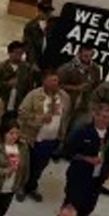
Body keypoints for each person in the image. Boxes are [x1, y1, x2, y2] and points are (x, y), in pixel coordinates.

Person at [62, 105, 109, 216]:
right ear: (95, 115)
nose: (105, 120)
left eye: (108, 117)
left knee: (88, 205)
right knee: (72, 203)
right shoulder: (82, 131)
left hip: (98, 177)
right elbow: (67, 151)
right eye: (103, 116)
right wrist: (86, 158)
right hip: (79, 174)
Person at [17, 70, 68, 202]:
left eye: (57, 80)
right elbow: (22, 113)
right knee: (26, 165)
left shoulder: (63, 97)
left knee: (40, 165)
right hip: (32, 138)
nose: (55, 83)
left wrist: (62, 134)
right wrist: (40, 118)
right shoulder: (33, 95)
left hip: (52, 139)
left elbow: (66, 116)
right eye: (52, 80)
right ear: (44, 81)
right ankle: (21, 186)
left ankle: (32, 186)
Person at [57, 44, 102, 130]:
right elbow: (57, 85)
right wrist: (76, 88)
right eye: (85, 56)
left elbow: (97, 85)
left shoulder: (95, 69)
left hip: (84, 105)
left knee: (77, 129)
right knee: (62, 128)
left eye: (90, 56)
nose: (88, 58)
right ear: (79, 54)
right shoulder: (67, 68)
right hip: (66, 103)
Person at [0, 40, 36, 114]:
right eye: (17, 53)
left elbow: (30, 88)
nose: (19, 56)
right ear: (10, 53)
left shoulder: (27, 69)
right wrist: (6, 84)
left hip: (19, 106)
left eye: (21, 53)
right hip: (1, 105)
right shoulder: (0, 68)